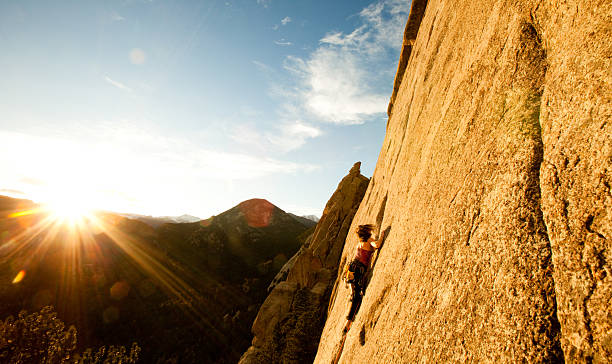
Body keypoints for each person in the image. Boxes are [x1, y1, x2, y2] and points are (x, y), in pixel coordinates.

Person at [344, 224, 384, 333]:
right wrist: (382, 236)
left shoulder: (359, 243)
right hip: (359, 270)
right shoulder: (368, 240)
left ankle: (348, 320)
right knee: (357, 295)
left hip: (351, 267)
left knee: (354, 294)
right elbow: (377, 245)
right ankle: (348, 322)